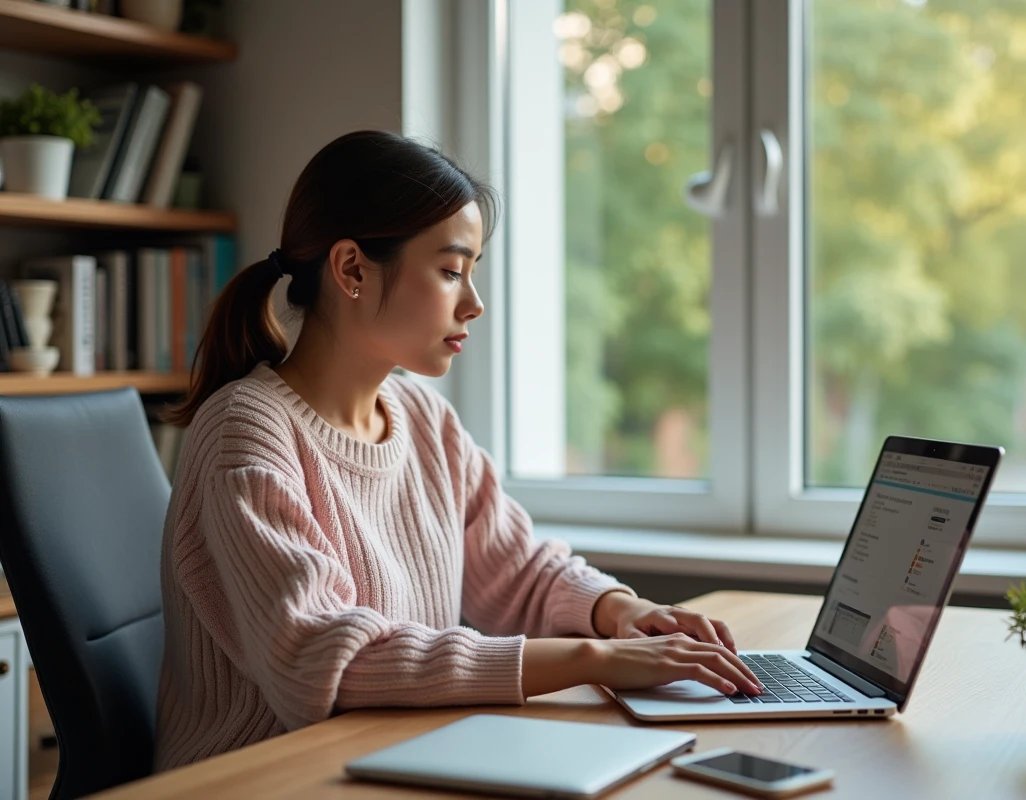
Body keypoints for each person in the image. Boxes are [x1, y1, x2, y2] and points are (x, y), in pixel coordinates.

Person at [154, 131, 763, 772]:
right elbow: (325, 659)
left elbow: (517, 571)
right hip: (262, 779)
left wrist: (621, 612)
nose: (473, 304)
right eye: (450, 271)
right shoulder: (244, 435)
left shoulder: (422, 418)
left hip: (394, 758)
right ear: (352, 269)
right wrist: (595, 659)